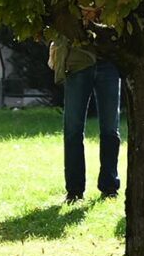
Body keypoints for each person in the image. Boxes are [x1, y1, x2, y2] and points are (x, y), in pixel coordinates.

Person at [52, 21, 122, 205]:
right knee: (73, 130)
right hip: (78, 62)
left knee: (110, 129)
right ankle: (74, 190)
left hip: (109, 61)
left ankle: (109, 186)